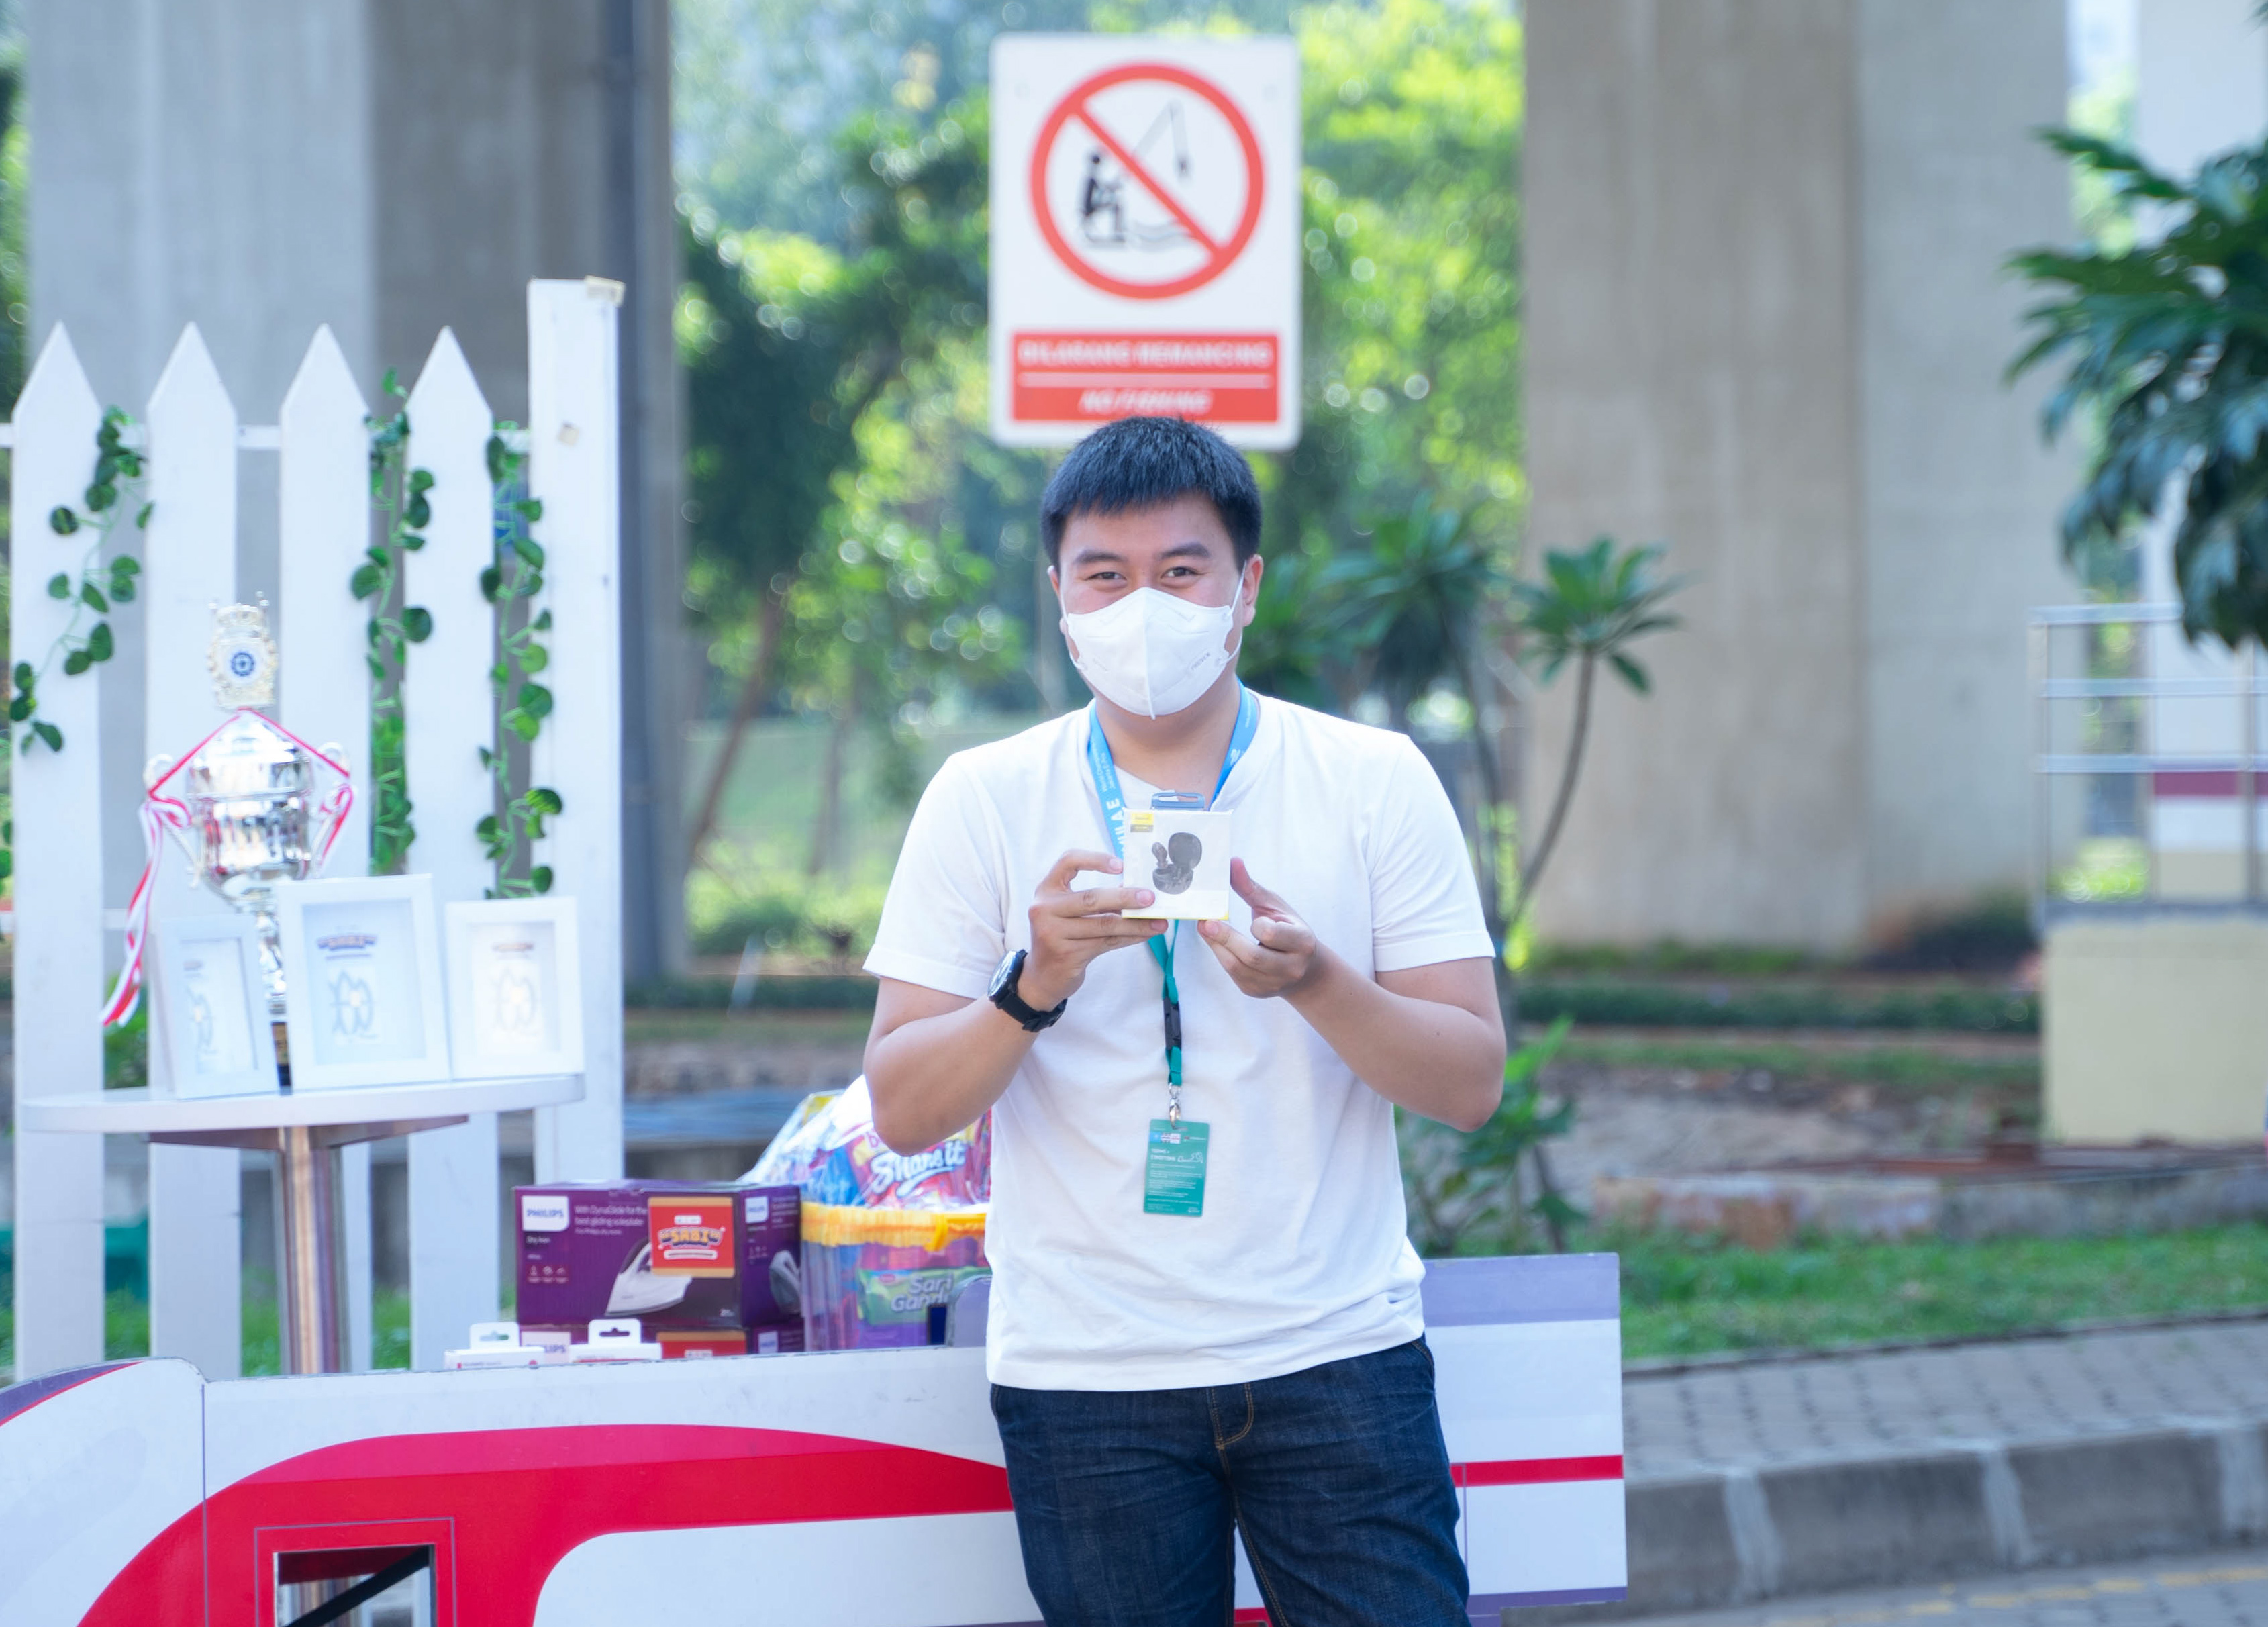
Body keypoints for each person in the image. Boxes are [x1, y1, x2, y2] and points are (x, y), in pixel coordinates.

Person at [862, 415, 1507, 1627]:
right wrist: (1032, 985)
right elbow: (902, 1107)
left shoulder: (1371, 779)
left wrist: (1316, 982)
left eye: (1180, 571)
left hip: (1334, 1352)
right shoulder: (984, 798)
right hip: (1085, 1376)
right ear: (1059, 597)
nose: (1142, 609)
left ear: (1245, 588)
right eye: (1105, 576)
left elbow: (1470, 1082)